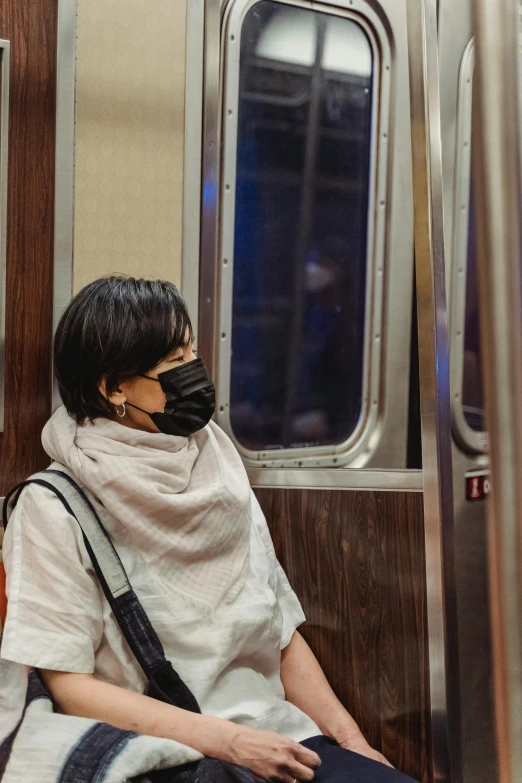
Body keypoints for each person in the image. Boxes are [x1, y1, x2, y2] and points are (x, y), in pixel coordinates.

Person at [0, 276, 416, 782]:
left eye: (192, 353)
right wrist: (235, 743)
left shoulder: (218, 467)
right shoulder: (53, 505)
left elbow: (279, 632)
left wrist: (353, 744)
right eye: (175, 363)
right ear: (112, 389)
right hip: (166, 752)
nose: (195, 372)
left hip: (282, 735)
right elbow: (70, 685)